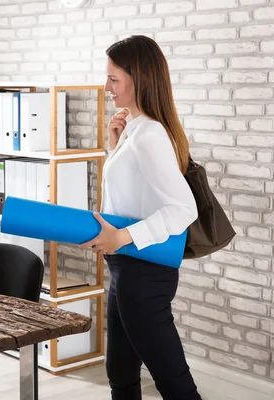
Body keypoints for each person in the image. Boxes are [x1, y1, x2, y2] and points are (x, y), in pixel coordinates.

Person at [80, 35, 202, 400]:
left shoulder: (150, 134)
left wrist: (120, 237)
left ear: (140, 79)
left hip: (144, 274)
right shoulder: (135, 130)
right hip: (125, 268)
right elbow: (129, 196)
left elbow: (183, 209)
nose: (106, 88)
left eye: (113, 79)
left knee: (173, 382)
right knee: (120, 373)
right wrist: (114, 146)